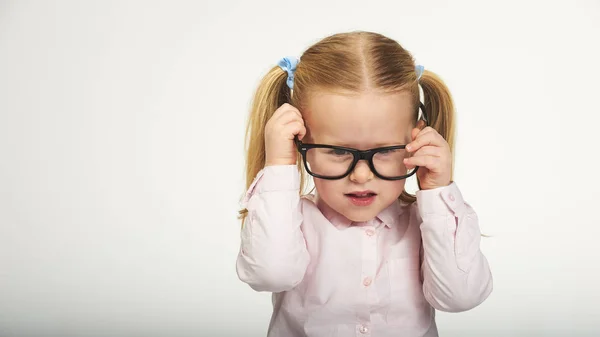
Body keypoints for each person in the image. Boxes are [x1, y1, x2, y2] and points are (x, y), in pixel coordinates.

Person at [235, 30, 493, 337]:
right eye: (338, 151)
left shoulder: (429, 223)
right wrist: (279, 165)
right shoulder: (289, 221)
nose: (360, 175)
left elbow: (461, 296)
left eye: (384, 151)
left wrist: (437, 191)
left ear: (416, 139)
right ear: (300, 142)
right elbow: (270, 274)